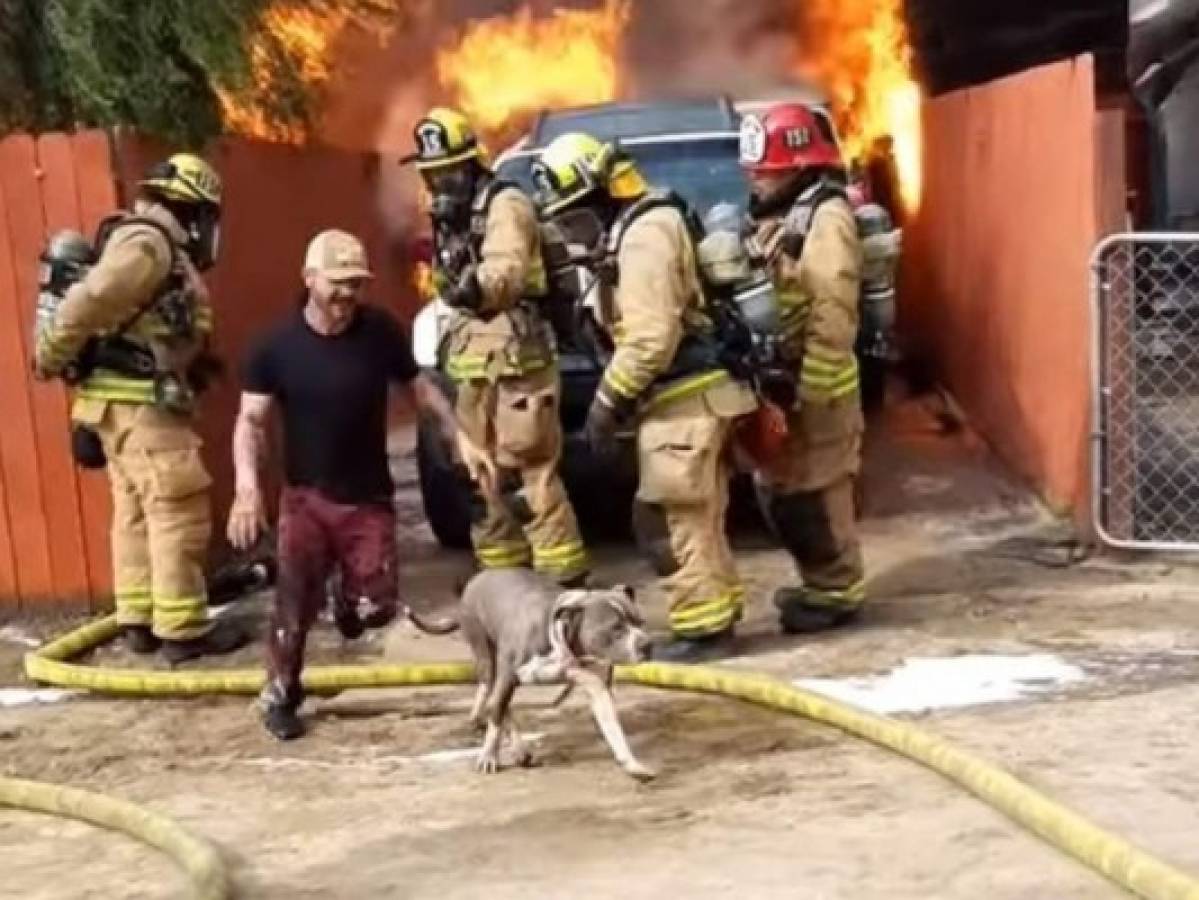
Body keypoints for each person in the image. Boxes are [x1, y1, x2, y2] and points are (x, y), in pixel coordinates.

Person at [227, 229, 495, 741]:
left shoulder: (380, 333)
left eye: (356, 284)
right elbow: (251, 422)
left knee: (377, 610)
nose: (347, 295)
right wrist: (246, 489)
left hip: (368, 498)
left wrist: (460, 438)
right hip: (304, 498)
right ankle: (281, 694)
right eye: (338, 283)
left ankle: (348, 598)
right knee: (292, 604)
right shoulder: (274, 347)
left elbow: (420, 389)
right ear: (309, 280)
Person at [531, 132, 759, 663]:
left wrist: (606, 404)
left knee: (671, 516)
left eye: (574, 217)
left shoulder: (645, 235)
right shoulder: (636, 228)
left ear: (603, 193)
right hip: (684, 400)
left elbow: (652, 338)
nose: (570, 232)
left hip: (686, 398)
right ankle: (715, 615)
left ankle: (705, 629)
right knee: (694, 515)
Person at [34, 153, 248, 662]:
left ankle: (139, 618)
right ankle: (182, 628)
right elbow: (93, 298)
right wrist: (52, 353)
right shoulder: (149, 242)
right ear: (192, 210)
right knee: (178, 511)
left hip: (121, 406)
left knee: (134, 514)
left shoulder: (151, 243)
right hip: (143, 408)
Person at [403, 107, 589, 586]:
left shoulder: (506, 204)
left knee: (530, 477)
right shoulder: (454, 215)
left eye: (446, 171)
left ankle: (562, 584)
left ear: (471, 163)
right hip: (474, 367)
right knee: (480, 477)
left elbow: (504, 270)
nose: (437, 183)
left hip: (518, 364)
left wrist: (477, 287)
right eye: (430, 173)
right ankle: (502, 582)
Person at [739, 102, 867, 634]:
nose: (755, 177)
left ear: (797, 164)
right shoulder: (779, 215)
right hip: (787, 382)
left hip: (820, 387)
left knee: (818, 493)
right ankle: (820, 583)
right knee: (787, 492)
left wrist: (810, 391)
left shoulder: (827, 216)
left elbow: (832, 307)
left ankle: (838, 593)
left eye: (764, 168)